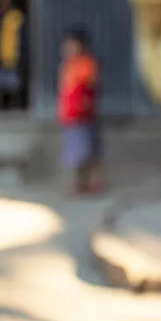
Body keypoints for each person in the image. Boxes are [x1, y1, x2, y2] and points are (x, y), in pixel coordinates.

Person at [59, 27, 104, 195]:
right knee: (74, 153)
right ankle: (79, 182)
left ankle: (95, 181)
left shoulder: (86, 65)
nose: (68, 49)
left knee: (90, 152)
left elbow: (91, 86)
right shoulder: (68, 66)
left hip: (84, 117)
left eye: (71, 45)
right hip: (70, 118)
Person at [0, 0, 27, 110]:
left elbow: (23, 39)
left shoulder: (17, 18)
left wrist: (22, 58)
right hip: (1, 61)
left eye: (5, 0)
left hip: (14, 61)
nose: (1, 3)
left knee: (15, 89)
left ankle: (16, 111)